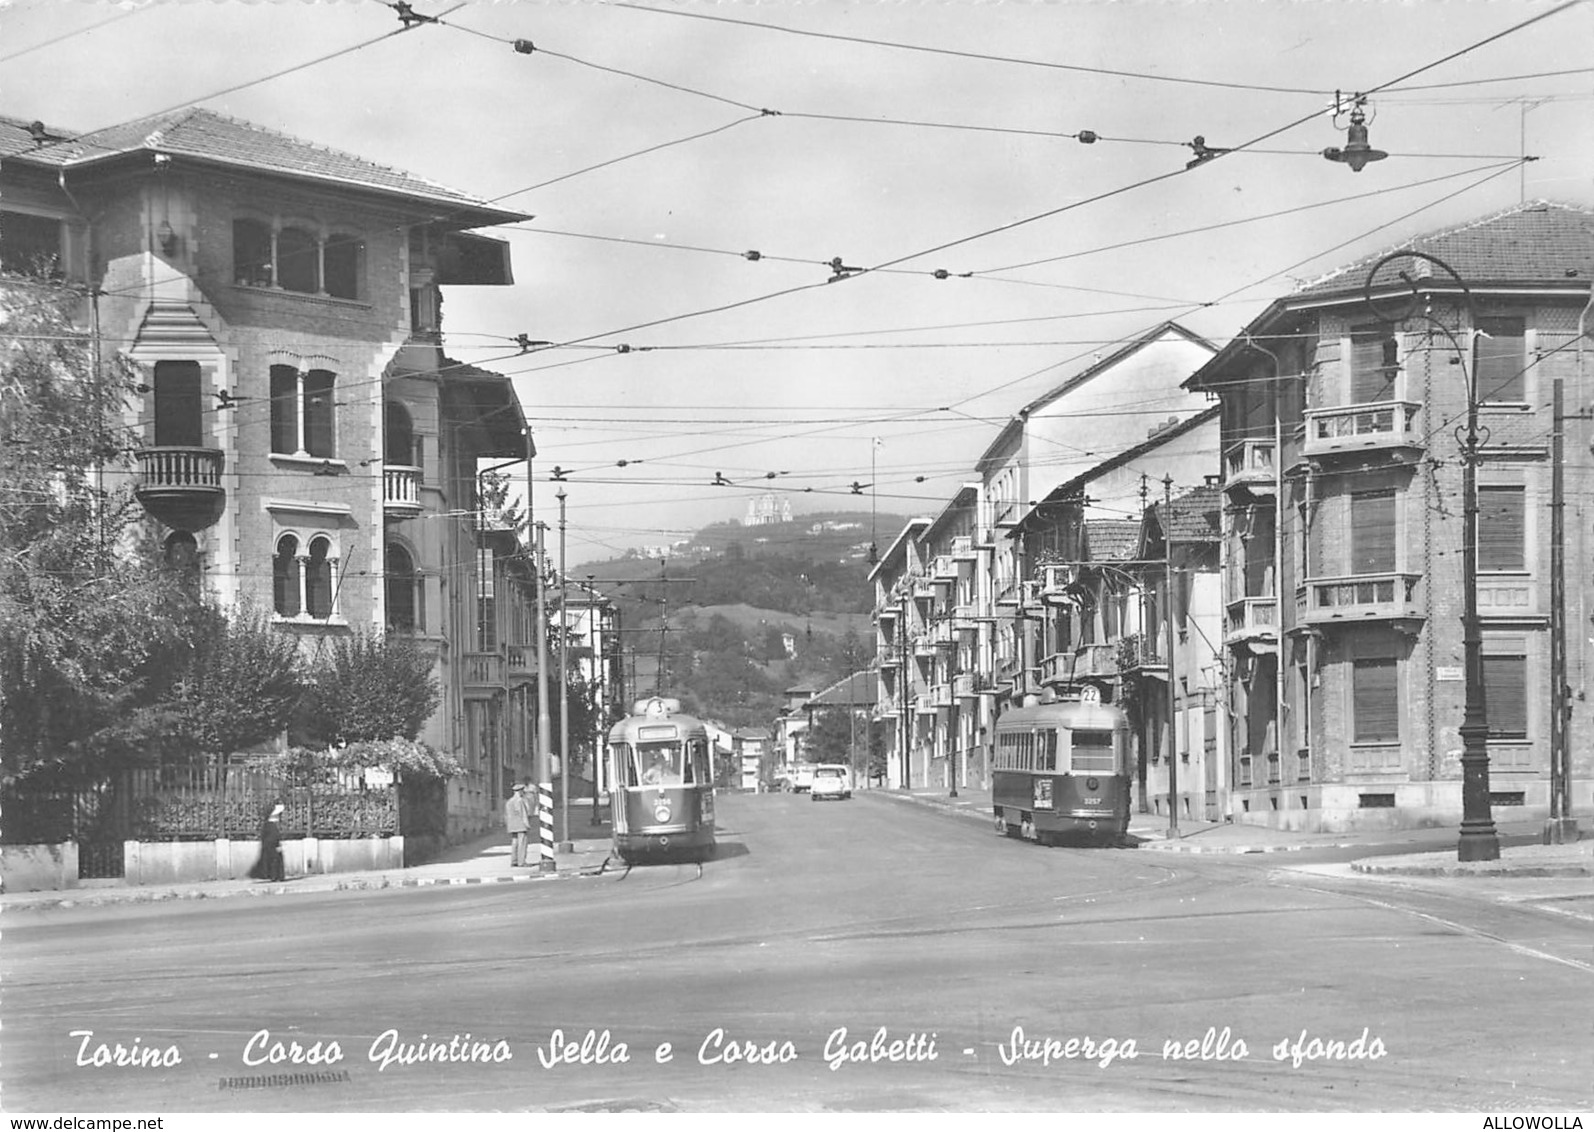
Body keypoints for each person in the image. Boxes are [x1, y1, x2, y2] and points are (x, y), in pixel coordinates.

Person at [249, 802, 285, 882]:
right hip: (272, 846)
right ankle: (275, 876)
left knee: (272, 860)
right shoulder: (271, 825)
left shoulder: (267, 824)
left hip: (269, 845)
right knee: (274, 860)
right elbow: (274, 836)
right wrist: (277, 844)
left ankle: (275, 876)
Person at [505, 782, 532, 867]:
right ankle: (522, 862)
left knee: (514, 843)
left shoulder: (509, 802)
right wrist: (527, 824)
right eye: (522, 791)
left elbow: (506, 815)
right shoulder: (520, 801)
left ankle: (514, 861)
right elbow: (523, 813)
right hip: (520, 825)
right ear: (520, 791)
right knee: (522, 843)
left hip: (512, 825)